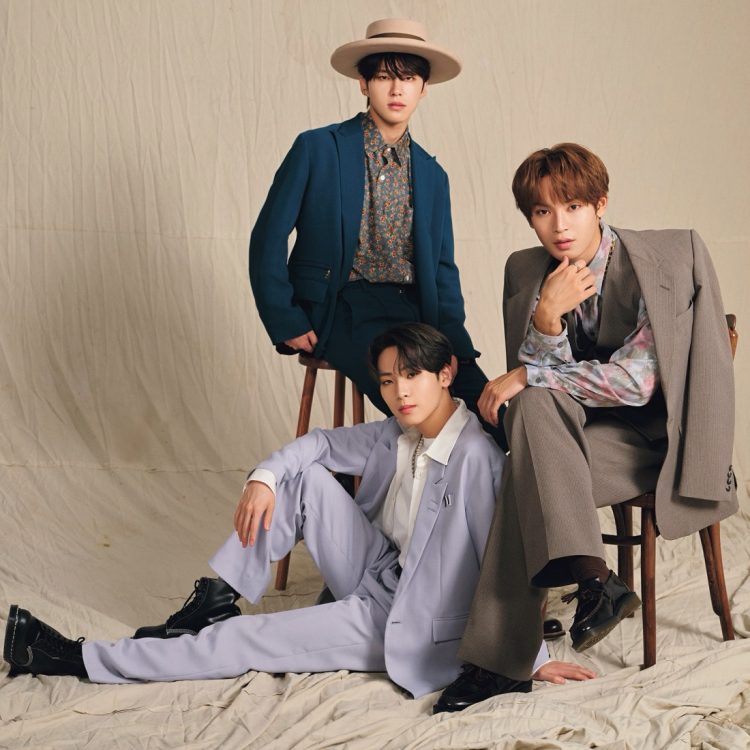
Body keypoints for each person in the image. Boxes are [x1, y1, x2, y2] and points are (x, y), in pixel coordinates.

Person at [3, 323, 593, 698]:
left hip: (406, 619)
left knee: (246, 641)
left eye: (413, 376)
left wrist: (530, 657)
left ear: (446, 375)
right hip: (375, 570)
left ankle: (75, 657)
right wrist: (263, 479)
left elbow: (504, 565)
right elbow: (317, 445)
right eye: (388, 380)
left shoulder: (478, 460)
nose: (399, 392)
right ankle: (217, 596)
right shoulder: (396, 432)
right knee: (302, 476)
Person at [433, 143, 738, 713]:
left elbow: (638, 383)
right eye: (542, 212)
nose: (559, 225)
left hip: (654, 442)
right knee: (532, 413)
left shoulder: (665, 258)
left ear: (600, 203)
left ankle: (496, 663)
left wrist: (530, 370)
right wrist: (546, 317)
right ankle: (595, 582)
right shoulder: (527, 270)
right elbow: (540, 400)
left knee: (522, 468)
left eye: (572, 206)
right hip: (572, 441)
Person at [249, 18, 505, 448]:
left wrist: (457, 346)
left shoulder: (433, 174)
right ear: (363, 84)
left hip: (413, 310)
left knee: (490, 414)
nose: (397, 89)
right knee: (425, 413)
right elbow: (267, 239)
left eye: (409, 78)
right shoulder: (317, 149)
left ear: (424, 88)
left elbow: (443, 269)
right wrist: (285, 317)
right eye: (385, 77)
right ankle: (392, 491)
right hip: (342, 307)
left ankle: (462, 494)